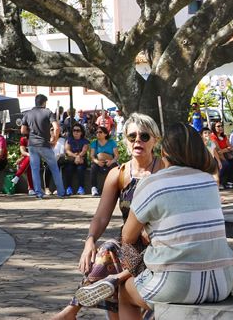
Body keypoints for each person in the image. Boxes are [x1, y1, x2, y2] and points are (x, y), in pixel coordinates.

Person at [75, 123, 233, 315]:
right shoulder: (208, 181)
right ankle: (117, 278)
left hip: (179, 283)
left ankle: (117, 279)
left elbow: (127, 237)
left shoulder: (152, 183)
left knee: (125, 293)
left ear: (164, 150)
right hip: (222, 282)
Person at [50, 113, 163, 320]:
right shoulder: (118, 173)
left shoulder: (164, 170)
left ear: (155, 139)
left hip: (158, 245)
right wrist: (89, 241)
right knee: (108, 248)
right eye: (132, 137)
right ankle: (82, 303)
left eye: (144, 136)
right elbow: (102, 216)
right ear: (126, 141)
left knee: (110, 259)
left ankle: (73, 309)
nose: (138, 140)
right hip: (129, 245)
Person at [22, 94, 66, 199]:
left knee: (35, 169)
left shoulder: (28, 114)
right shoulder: (48, 112)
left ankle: (39, 193)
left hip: (32, 144)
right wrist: (54, 140)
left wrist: (31, 135)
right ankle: (60, 192)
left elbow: (23, 130)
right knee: (54, 168)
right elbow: (56, 128)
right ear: (44, 102)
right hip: (44, 144)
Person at [89, 126, 119, 197]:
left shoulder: (111, 142)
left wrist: (111, 161)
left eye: (100, 132)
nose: (98, 134)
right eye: (97, 132)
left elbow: (116, 156)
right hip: (99, 162)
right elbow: (92, 156)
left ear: (105, 134)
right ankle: (94, 188)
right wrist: (97, 162)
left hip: (110, 162)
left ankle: (111, 189)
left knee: (114, 168)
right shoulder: (94, 143)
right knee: (93, 167)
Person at [210, 120, 233, 189]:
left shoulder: (224, 136)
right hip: (216, 157)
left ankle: (229, 182)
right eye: (218, 126)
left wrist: (225, 150)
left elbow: (231, 147)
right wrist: (226, 149)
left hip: (225, 156)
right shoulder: (212, 137)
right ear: (214, 127)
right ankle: (218, 183)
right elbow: (218, 151)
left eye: (221, 126)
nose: (220, 128)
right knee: (226, 164)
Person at [63, 124, 89, 196]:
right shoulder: (69, 140)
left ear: (81, 132)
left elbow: (84, 151)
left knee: (80, 169)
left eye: (78, 130)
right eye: (74, 130)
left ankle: (81, 188)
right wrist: (76, 156)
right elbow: (67, 150)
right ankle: (69, 188)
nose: (76, 132)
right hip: (71, 160)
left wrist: (79, 156)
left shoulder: (85, 141)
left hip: (82, 160)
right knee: (68, 168)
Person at [9, 124, 35, 195]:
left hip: (35, 160)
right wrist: (29, 155)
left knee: (31, 160)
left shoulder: (35, 139)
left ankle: (17, 176)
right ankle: (31, 189)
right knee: (30, 161)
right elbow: (23, 152)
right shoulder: (23, 140)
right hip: (25, 160)